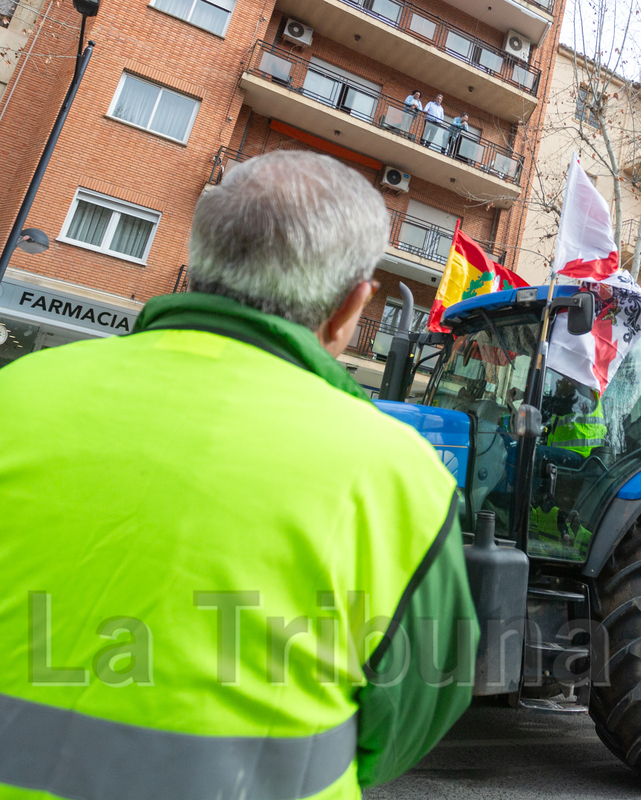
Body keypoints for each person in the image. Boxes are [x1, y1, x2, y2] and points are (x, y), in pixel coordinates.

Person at [0, 151, 479, 799]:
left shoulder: (17, 392)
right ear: (349, 309)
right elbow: (413, 711)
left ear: (199, 262)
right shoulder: (401, 478)